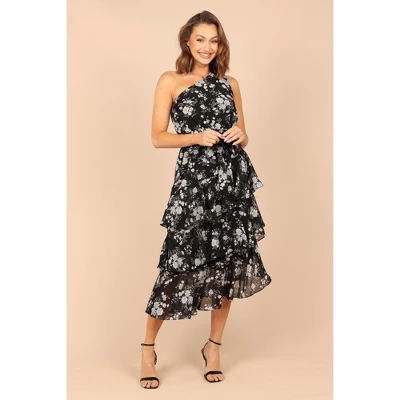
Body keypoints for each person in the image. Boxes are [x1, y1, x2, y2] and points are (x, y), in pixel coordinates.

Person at [140, 10, 272, 389]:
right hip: (193, 186)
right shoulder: (170, 80)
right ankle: (148, 349)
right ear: (187, 41)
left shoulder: (230, 83)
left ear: (220, 44)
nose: (207, 47)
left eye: (214, 41)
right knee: (177, 264)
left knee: (227, 266)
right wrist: (196, 137)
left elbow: (243, 132)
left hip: (230, 185)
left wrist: (241, 135)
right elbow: (158, 137)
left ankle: (213, 347)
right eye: (200, 39)